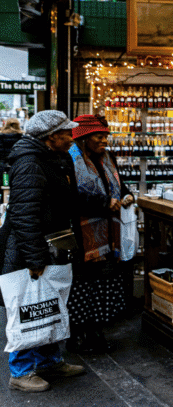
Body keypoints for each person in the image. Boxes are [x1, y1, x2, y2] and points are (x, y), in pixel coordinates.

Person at [0, 110, 85, 393]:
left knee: (49, 302)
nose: (72, 138)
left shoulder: (55, 158)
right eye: (67, 133)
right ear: (52, 136)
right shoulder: (29, 162)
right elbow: (24, 215)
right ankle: (21, 371)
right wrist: (34, 258)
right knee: (27, 305)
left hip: (55, 243)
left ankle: (49, 360)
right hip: (32, 249)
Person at [66, 115, 135, 354]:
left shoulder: (108, 158)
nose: (104, 140)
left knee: (102, 284)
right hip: (82, 235)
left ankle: (96, 332)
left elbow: (118, 184)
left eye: (106, 136)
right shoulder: (70, 159)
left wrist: (126, 195)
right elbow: (72, 197)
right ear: (84, 138)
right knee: (81, 285)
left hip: (107, 234)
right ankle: (76, 334)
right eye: (99, 136)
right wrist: (105, 202)